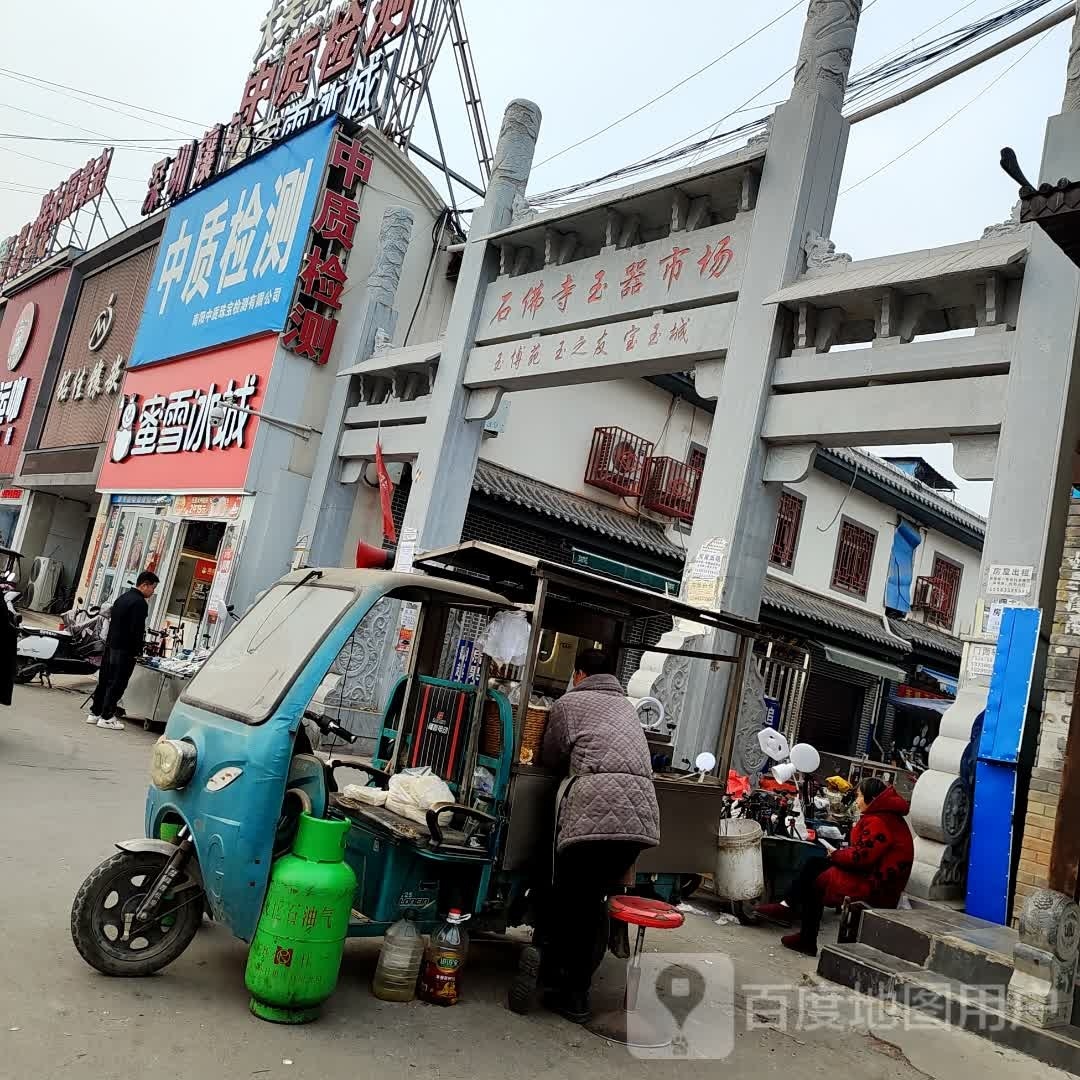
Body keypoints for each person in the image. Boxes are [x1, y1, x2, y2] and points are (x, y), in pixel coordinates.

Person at [535, 649, 660, 1023]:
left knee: (574, 901)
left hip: (593, 819)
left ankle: (572, 994)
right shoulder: (626, 706)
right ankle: (571, 982)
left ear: (579, 674)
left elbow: (551, 758)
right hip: (639, 823)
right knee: (591, 901)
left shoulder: (569, 704)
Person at [755, 776, 914, 957]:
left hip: (877, 886)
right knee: (815, 864)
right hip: (873, 875)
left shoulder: (879, 820)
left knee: (818, 879)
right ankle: (789, 909)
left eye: (860, 796)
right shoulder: (885, 817)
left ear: (872, 799)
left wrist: (836, 854)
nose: (857, 801)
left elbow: (860, 858)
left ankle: (802, 931)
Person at [88, 571, 158, 731]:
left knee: (105, 680)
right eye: (152, 588)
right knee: (118, 682)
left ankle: (95, 712)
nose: (153, 592)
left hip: (111, 645)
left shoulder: (122, 598)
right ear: (144, 585)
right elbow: (137, 630)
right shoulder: (139, 603)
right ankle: (107, 716)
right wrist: (138, 651)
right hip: (125, 649)